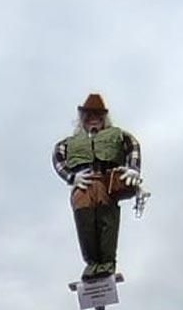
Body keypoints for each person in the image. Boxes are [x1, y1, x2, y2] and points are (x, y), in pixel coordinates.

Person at [52, 93, 145, 280]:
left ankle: (107, 262)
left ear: (104, 119)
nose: (93, 120)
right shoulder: (68, 143)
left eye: (98, 117)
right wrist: (71, 177)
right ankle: (92, 263)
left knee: (107, 221)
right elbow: (58, 158)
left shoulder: (117, 135)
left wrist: (133, 169)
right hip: (83, 184)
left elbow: (132, 145)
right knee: (85, 222)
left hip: (106, 183)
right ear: (83, 120)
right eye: (89, 117)